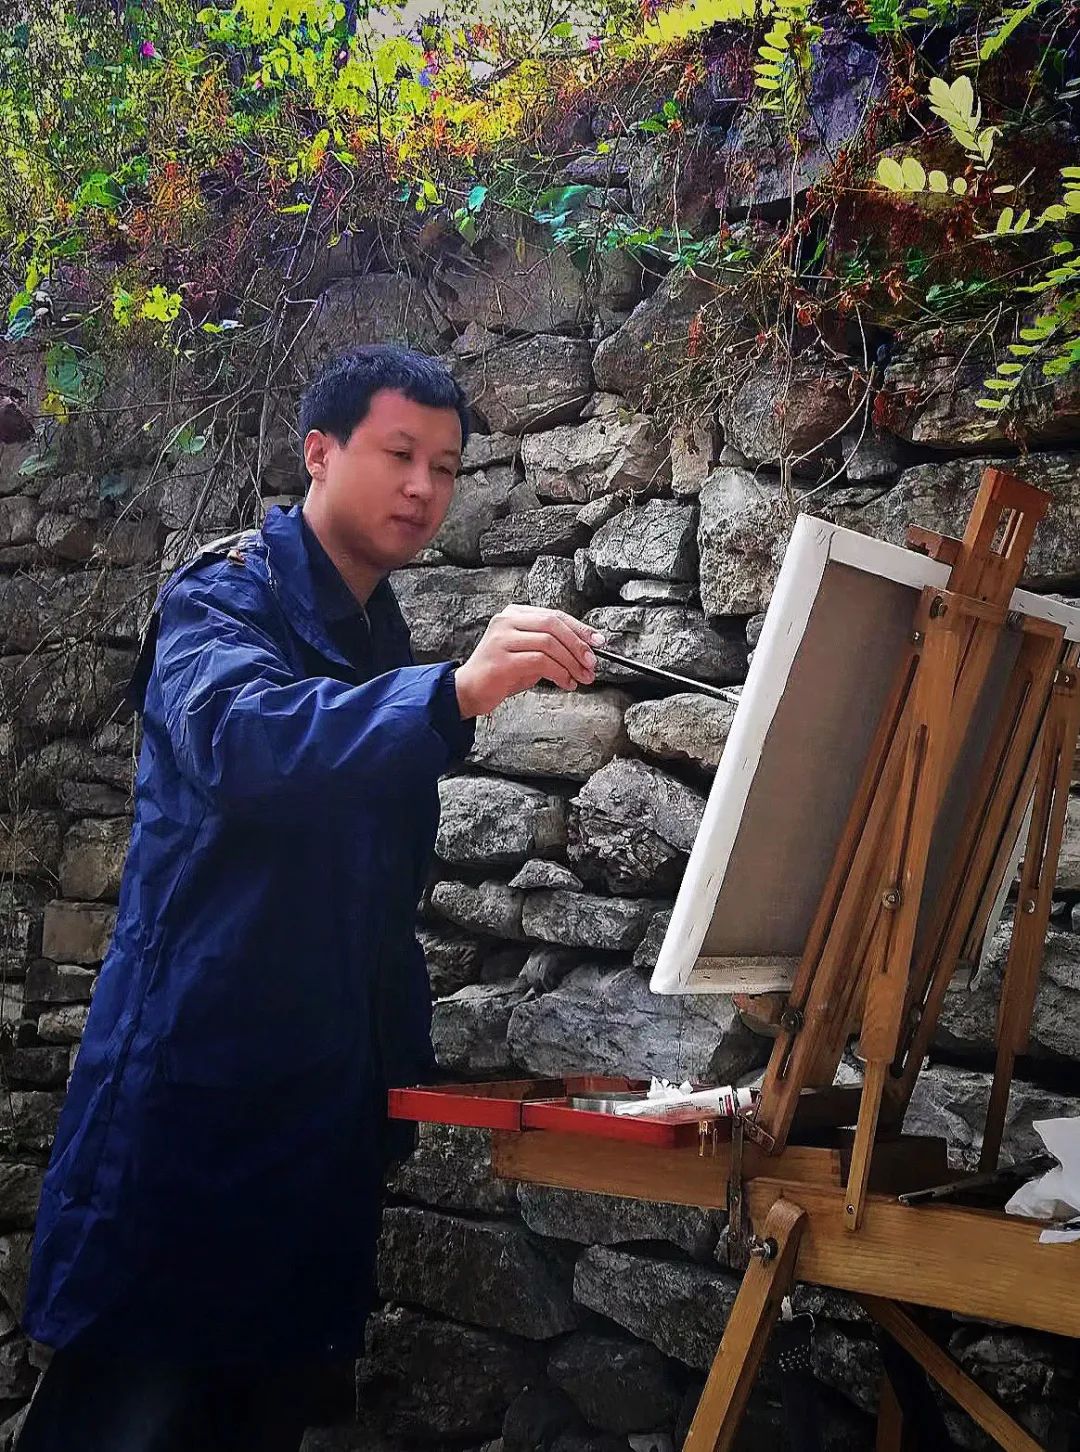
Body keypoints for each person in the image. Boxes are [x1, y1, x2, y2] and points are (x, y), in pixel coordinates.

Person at [18, 345, 604, 1452]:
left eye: (446, 467)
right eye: (399, 454)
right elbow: (245, 744)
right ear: (319, 453)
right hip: (190, 1112)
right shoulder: (220, 595)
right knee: (134, 1413)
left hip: (318, 1124)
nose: (424, 487)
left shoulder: (376, 632)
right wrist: (452, 693)